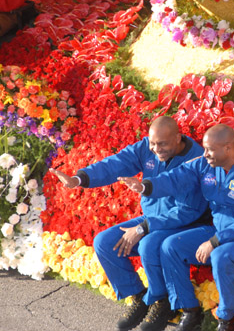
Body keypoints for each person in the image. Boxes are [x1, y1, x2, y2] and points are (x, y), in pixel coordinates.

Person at [50, 116, 209, 331]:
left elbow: (188, 211)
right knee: (105, 243)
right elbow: (115, 164)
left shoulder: (196, 158)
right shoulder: (148, 147)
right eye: (152, 143)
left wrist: (143, 227)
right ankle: (140, 297)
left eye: (162, 144)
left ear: (178, 138)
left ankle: (161, 303)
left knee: (149, 243)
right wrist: (79, 179)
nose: (155, 149)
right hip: (153, 219)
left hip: (184, 222)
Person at [131, 124, 234, 331]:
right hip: (217, 233)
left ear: (228, 148)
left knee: (220, 255)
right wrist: (146, 186)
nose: (205, 154)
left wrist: (215, 242)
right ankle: (189, 311)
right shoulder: (206, 163)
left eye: (210, 149)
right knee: (171, 246)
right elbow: (177, 177)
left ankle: (226, 321)